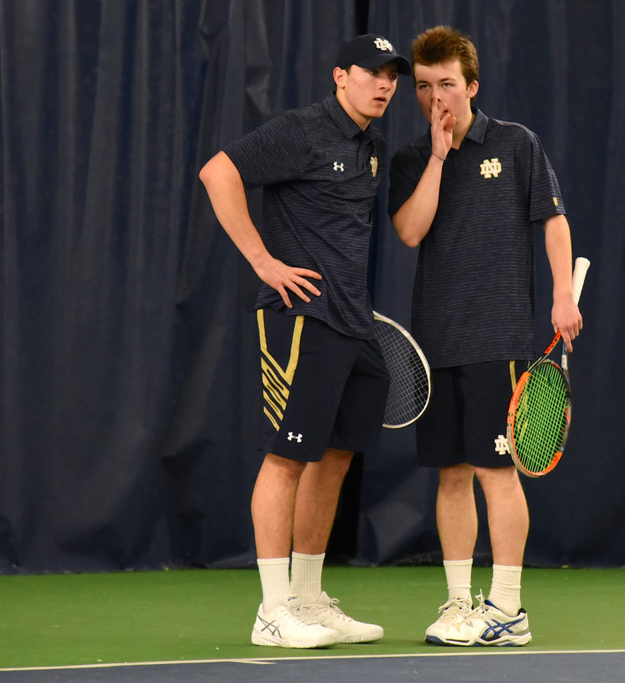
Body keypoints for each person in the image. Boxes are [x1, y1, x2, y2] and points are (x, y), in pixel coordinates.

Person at [198, 34, 412, 649]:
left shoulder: (371, 145)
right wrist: (262, 261)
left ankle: (309, 599)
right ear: (341, 75)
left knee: (335, 458)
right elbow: (219, 172)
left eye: (392, 77)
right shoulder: (301, 130)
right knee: (287, 459)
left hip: (355, 324)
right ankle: (272, 610)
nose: (384, 85)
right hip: (302, 319)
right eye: (372, 73)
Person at [388, 26, 583, 647]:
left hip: (497, 339)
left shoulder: (517, 144)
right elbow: (411, 232)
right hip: (435, 341)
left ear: (471, 86)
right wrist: (441, 154)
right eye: (423, 86)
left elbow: (552, 220)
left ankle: (508, 608)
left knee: (497, 475)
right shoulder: (410, 161)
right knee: (450, 476)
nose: (434, 97)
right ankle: (457, 603)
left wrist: (559, 294)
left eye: (446, 84)